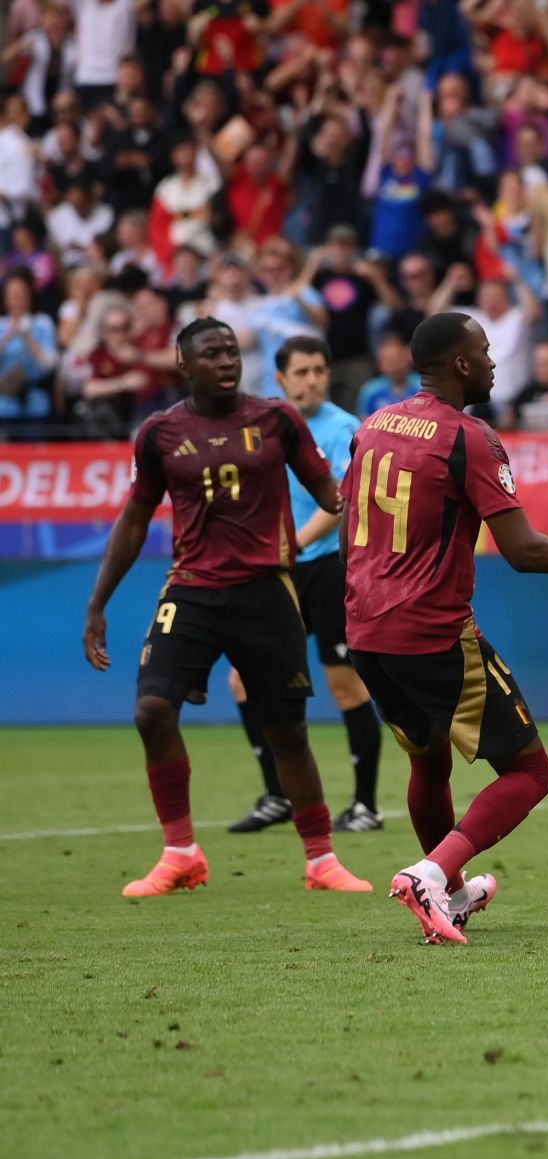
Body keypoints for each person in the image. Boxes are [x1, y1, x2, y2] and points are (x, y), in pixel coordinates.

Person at [346, 312, 548, 944]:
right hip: (432, 630)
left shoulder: (374, 424)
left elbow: (346, 523)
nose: (494, 363)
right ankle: (431, 874)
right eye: (485, 352)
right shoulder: (469, 436)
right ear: (460, 364)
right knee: (531, 771)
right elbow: (523, 552)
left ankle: (454, 894)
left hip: (365, 630)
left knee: (429, 759)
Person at [82, 318, 369, 897]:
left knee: (287, 728)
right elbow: (134, 521)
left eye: (232, 351)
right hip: (191, 590)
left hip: (268, 592)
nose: (226, 361)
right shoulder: (159, 433)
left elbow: (333, 494)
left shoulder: (277, 419)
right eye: (211, 354)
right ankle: (181, 852)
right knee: (151, 711)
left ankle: (321, 861)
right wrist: (98, 603)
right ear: (185, 366)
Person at [225, 337, 385, 836]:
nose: (312, 379)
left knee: (344, 684)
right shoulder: (264, 425)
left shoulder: (343, 429)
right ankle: (278, 795)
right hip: (276, 571)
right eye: (302, 371)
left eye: (319, 369)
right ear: (281, 379)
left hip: (329, 568)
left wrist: (287, 548)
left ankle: (365, 806)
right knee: (244, 680)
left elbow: (337, 499)